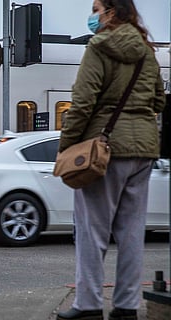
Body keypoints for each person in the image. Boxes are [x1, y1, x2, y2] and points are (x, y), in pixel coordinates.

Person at [56, 1, 165, 320]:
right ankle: (126, 307)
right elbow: (159, 99)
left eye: (97, 8)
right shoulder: (147, 52)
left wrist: (66, 147)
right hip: (143, 150)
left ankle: (88, 304)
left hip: (103, 148)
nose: (93, 15)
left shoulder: (99, 46)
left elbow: (82, 103)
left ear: (112, 12)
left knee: (92, 230)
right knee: (132, 233)